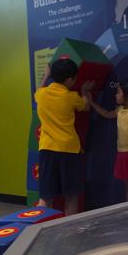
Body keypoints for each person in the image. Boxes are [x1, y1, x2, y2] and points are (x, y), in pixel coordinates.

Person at [35, 59, 94, 216]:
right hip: (69, 150)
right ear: (69, 80)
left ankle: (40, 229)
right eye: (74, 78)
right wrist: (84, 91)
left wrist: (46, 76)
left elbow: (38, 90)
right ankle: (70, 234)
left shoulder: (41, 94)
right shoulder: (71, 96)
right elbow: (86, 106)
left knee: (45, 197)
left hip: (47, 149)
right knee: (71, 196)